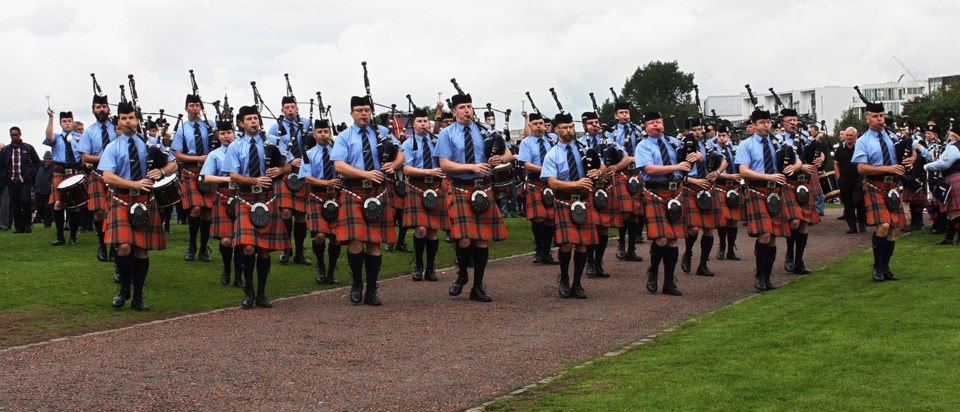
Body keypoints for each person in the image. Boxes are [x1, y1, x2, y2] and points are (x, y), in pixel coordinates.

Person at [100, 102, 178, 310]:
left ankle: (138, 297)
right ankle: (124, 288)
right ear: (119, 121)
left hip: (145, 201)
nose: (128, 122)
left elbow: (173, 164)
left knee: (141, 251)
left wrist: (162, 172)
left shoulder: (151, 145)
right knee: (124, 247)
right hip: (122, 199)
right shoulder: (112, 147)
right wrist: (133, 183)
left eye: (131, 118)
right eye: (124, 119)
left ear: (136, 120)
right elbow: (108, 177)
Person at [435, 92, 512, 302]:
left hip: (483, 188)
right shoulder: (447, 134)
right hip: (460, 186)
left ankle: (477, 287)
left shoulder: (486, 131)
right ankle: (461, 275)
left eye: (469, 106)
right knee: (464, 237)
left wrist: (499, 158)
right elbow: (444, 164)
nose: (467, 110)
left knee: (481, 240)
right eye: (462, 107)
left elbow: (509, 154)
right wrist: (472, 166)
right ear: (454, 111)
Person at [331, 96, 405, 306]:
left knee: (374, 243)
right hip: (354, 191)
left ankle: (372, 290)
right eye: (359, 110)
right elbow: (339, 166)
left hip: (378, 191)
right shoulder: (344, 137)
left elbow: (401, 155)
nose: (363, 114)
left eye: (366, 110)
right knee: (355, 241)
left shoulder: (382, 133)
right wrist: (366, 175)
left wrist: (394, 165)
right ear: (352, 113)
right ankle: (357, 285)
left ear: (371, 111)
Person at [222, 105, 292, 308]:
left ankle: (261, 293)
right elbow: (233, 176)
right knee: (249, 247)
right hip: (245, 199)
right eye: (249, 119)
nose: (253, 121)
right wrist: (255, 181)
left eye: (255, 118)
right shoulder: (235, 147)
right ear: (241, 123)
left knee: (263, 250)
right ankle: (248, 291)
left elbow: (289, 166)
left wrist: (280, 168)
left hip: (267, 199)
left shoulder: (271, 145)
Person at [735, 109, 800, 291]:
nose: (766, 126)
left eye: (768, 122)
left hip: (776, 193)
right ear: (754, 125)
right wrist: (769, 177)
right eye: (762, 122)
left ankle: (767, 277)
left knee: (773, 237)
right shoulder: (746, 145)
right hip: (757, 190)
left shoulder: (778, 143)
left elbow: (799, 161)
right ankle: (759, 276)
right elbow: (743, 171)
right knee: (764, 234)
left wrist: (793, 168)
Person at [541, 113, 601, 298]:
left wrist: (598, 172)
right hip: (564, 200)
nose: (569, 131)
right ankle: (565, 279)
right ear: (556, 130)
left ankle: (577, 283)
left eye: (571, 127)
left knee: (582, 244)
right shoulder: (553, 154)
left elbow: (603, 167)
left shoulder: (585, 150)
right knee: (566, 244)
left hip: (583, 200)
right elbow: (552, 182)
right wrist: (575, 184)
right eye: (564, 128)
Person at [851, 101, 912, 282]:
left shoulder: (892, 137)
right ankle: (877, 268)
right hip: (875, 186)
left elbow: (912, 151)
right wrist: (888, 169)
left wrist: (912, 158)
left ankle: (886, 269)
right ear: (868, 118)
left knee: (892, 228)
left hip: (892, 186)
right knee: (884, 225)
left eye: (882, 116)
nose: (880, 120)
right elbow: (861, 168)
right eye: (876, 117)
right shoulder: (863, 141)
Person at [635, 111, 690, 296]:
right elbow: (649, 169)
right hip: (655, 191)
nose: (656, 126)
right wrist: (676, 167)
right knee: (661, 238)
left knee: (673, 239)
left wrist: (696, 157)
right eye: (651, 123)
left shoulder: (674, 142)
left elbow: (695, 156)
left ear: (663, 123)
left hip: (676, 192)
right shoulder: (642, 146)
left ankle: (669, 282)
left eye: (658, 122)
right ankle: (653, 270)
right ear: (645, 127)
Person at [400, 108, 448, 282]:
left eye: (425, 121)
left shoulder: (437, 141)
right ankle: (418, 265)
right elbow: (406, 168)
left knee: (433, 231)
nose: (423, 124)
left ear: (429, 123)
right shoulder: (407, 144)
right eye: (419, 121)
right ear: (414, 124)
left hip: (436, 187)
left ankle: (430, 268)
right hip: (417, 187)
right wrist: (428, 171)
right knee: (420, 229)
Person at [580, 111, 627, 278]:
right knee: (591, 227)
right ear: (584, 125)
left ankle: (598, 263)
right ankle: (589, 263)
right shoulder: (579, 144)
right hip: (587, 188)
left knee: (603, 228)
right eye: (590, 123)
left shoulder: (609, 142)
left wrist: (616, 167)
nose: (594, 125)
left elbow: (627, 158)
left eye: (596, 122)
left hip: (606, 188)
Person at [171, 94, 216, 263]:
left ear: (201, 107)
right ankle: (192, 246)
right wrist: (198, 159)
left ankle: (204, 248)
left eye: (197, 105)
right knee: (196, 208)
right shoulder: (183, 129)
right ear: (186, 108)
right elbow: (178, 155)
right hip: (191, 171)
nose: (195, 108)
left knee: (207, 213)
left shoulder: (210, 126)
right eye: (191, 105)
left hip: (209, 172)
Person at [269, 95, 313, 266]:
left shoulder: (307, 124)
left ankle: (300, 252)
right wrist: (291, 159)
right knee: (286, 212)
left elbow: (313, 142)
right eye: (287, 108)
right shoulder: (275, 127)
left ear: (297, 108)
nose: (290, 110)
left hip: (304, 172)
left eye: (292, 107)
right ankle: (287, 249)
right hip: (285, 171)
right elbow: (272, 148)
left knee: (301, 215)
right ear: (282, 110)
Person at [199, 119, 243, 287]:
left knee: (239, 239)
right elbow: (206, 177)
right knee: (226, 240)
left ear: (234, 133)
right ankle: (227, 268)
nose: (226, 136)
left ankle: (239, 274)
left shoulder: (243, 149)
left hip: (241, 194)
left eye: (229, 133)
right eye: (223, 134)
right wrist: (228, 178)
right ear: (218, 136)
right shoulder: (214, 154)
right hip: (223, 195)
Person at [779, 109, 823, 275]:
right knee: (795, 221)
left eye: (795, 120)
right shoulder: (779, 139)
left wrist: (821, 158)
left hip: (804, 182)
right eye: (790, 120)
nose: (793, 123)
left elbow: (818, 152)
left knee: (804, 223)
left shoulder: (805, 137)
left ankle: (799, 261)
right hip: (789, 183)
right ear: (783, 122)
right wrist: (800, 166)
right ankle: (790, 253)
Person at [300, 119, 343, 284]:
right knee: (319, 236)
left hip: (336, 197)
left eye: (326, 132)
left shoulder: (339, 153)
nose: (323, 135)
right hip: (317, 196)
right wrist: (327, 183)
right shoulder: (309, 154)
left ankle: (331, 271)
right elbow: (306, 178)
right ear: (314, 134)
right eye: (320, 132)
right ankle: (320, 266)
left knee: (336, 238)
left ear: (330, 133)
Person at [78, 92, 118, 261]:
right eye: (98, 107)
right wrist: (106, 158)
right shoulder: (89, 132)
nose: (101, 110)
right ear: (93, 110)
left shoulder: (117, 128)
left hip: (117, 175)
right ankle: (102, 244)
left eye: (104, 107)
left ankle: (115, 247)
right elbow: (85, 157)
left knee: (115, 212)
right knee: (100, 212)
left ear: (108, 108)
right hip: (97, 174)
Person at [679, 118, 721, 277]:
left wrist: (716, 172)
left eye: (699, 129)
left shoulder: (705, 146)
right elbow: (677, 174)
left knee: (709, 229)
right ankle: (688, 253)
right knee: (694, 228)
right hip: (690, 186)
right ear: (686, 132)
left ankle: (703, 264)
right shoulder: (680, 146)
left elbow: (722, 161)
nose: (697, 132)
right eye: (693, 130)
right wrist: (695, 180)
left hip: (706, 187)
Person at [518, 112, 559, 265]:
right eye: (535, 124)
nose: (539, 126)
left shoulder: (552, 139)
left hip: (552, 182)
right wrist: (545, 169)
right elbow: (526, 164)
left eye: (541, 123)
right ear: (530, 126)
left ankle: (547, 252)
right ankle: (539, 250)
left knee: (550, 219)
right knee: (539, 217)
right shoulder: (526, 143)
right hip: (536, 182)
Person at [608, 102, 646, 261]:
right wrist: (627, 158)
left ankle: (632, 248)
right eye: (621, 113)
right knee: (624, 212)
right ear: (616, 115)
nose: (624, 115)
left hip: (637, 171)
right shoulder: (610, 131)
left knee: (636, 213)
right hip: (621, 171)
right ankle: (621, 244)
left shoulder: (638, 130)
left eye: (626, 112)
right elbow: (612, 148)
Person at [44, 109, 84, 244]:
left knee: (76, 205)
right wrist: (51, 118)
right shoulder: (56, 137)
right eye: (64, 121)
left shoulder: (80, 138)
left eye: (69, 121)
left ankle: (73, 236)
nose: (67, 124)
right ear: (61, 123)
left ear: (73, 123)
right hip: (59, 172)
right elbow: (49, 137)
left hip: (75, 172)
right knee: (58, 203)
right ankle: (60, 236)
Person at [0, 127, 41, 233]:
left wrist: (32, 174)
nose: (14, 137)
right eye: (12, 135)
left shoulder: (28, 148)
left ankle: (27, 224)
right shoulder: (5, 150)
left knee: (25, 201)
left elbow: (37, 162)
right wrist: (3, 176)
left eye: (16, 135)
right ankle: (19, 227)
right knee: (15, 204)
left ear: (20, 134)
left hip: (25, 180)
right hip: (11, 180)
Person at [713, 124, 744, 261]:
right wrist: (729, 176)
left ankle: (731, 249)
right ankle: (722, 247)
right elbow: (712, 173)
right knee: (723, 220)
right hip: (720, 185)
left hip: (735, 187)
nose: (721, 138)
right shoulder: (713, 151)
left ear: (728, 136)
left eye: (723, 135)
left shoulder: (736, 150)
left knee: (733, 220)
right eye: (719, 136)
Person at [924, 131, 960, 245]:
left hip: (953, 178)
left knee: (953, 212)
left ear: (953, 136)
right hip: (955, 177)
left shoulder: (952, 147)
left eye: (948, 135)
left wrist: (928, 166)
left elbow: (944, 164)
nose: (946, 137)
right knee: (951, 213)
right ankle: (949, 238)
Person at [834, 127, 867, 233]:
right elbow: (836, 164)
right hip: (844, 178)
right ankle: (852, 227)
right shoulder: (840, 149)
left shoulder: (860, 147)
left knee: (858, 201)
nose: (848, 137)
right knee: (847, 203)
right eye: (846, 135)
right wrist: (838, 176)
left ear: (855, 137)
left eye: (850, 135)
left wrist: (865, 178)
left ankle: (862, 222)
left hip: (858, 177)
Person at [34, 151, 54, 228]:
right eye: (46, 158)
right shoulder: (39, 165)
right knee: (39, 207)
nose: (47, 160)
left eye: (49, 159)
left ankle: (47, 224)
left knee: (47, 208)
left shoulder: (54, 167)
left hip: (49, 191)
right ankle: (44, 219)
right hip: (38, 190)